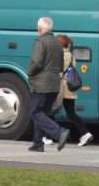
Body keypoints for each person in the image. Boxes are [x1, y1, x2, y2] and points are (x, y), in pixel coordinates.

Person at [28, 16, 69, 152]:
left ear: (40, 29)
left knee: (34, 112)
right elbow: (62, 65)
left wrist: (30, 72)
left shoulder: (40, 41)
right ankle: (37, 144)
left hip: (41, 84)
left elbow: (37, 62)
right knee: (43, 113)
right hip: (54, 84)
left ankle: (59, 132)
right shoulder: (58, 43)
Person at [57, 34, 93, 147]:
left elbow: (59, 72)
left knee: (49, 111)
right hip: (70, 89)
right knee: (71, 114)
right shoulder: (71, 55)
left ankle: (46, 135)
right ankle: (85, 133)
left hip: (61, 89)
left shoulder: (61, 55)